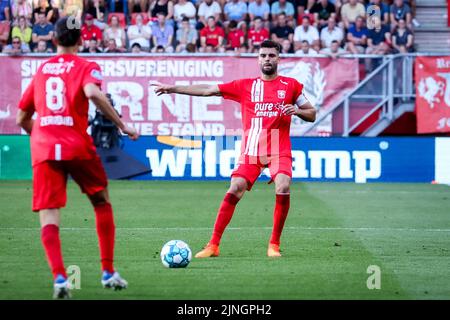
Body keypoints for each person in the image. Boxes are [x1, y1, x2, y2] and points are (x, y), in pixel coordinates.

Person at [152, 40, 316, 258]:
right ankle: (213, 245)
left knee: (283, 185)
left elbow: (312, 113)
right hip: (251, 150)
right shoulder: (245, 85)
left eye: (271, 55)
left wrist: (296, 111)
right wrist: (173, 88)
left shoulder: (291, 85)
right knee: (236, 186)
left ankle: (273, 245)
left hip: (278, 147)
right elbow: (208, 90)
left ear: (278, 58)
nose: (267, 59)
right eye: (263, 55)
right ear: (258, 59)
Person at [16, 16, 139, 299]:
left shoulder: (41, 71)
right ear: (81, 40)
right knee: (100, 200)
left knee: (49, 215)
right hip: (76, 145)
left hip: (45, 148)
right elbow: (93, 92)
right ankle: (108, 271)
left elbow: (22, 117)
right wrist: (122, 125)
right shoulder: (86, 66)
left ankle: (60, 279)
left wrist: (43, 132)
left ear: (55, 40)